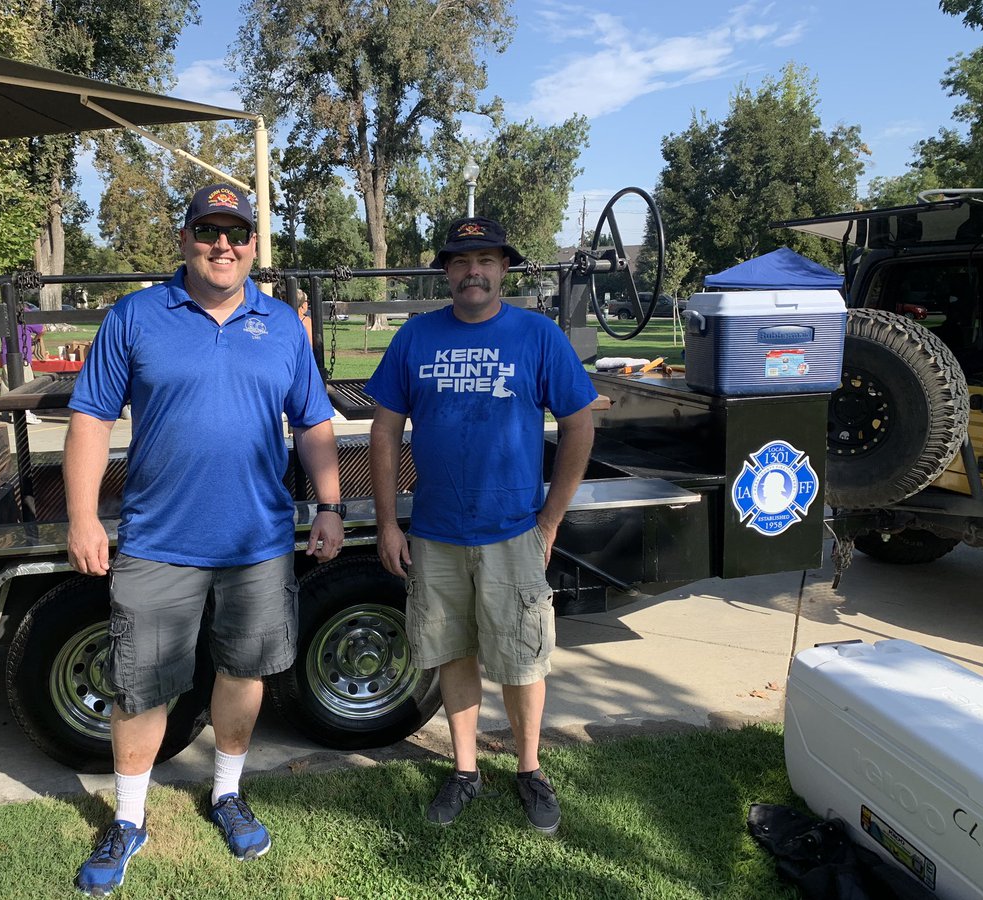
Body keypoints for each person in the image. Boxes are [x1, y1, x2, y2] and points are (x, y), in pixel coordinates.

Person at [65, 183, 345, 895]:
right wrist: (82, 516)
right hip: (157, 540)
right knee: (140, 685)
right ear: (186, 238)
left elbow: (313, 422)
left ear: (253, 243)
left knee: (243, 673)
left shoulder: (282, 325)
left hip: (257, 542)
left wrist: (330, 505)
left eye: (237, 232)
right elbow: (91, 418)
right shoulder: (136, 315)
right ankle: (129, 818)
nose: (224, 245)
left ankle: (226, 793)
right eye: (209, 230)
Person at [366, 216, 597, 836]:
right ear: (446, 271)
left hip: (514, 532)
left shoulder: (537, 336)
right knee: (452, 652)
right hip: (436, 532)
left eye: (487, 260)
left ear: (503, 269)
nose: (475, 272)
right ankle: (465, 769)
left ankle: (529, 768)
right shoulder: (415, 337)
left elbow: (579, 423)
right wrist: (388, 522)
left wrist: (551, 518)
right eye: (462, 261)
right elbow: (384, 430)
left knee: (524, 660)